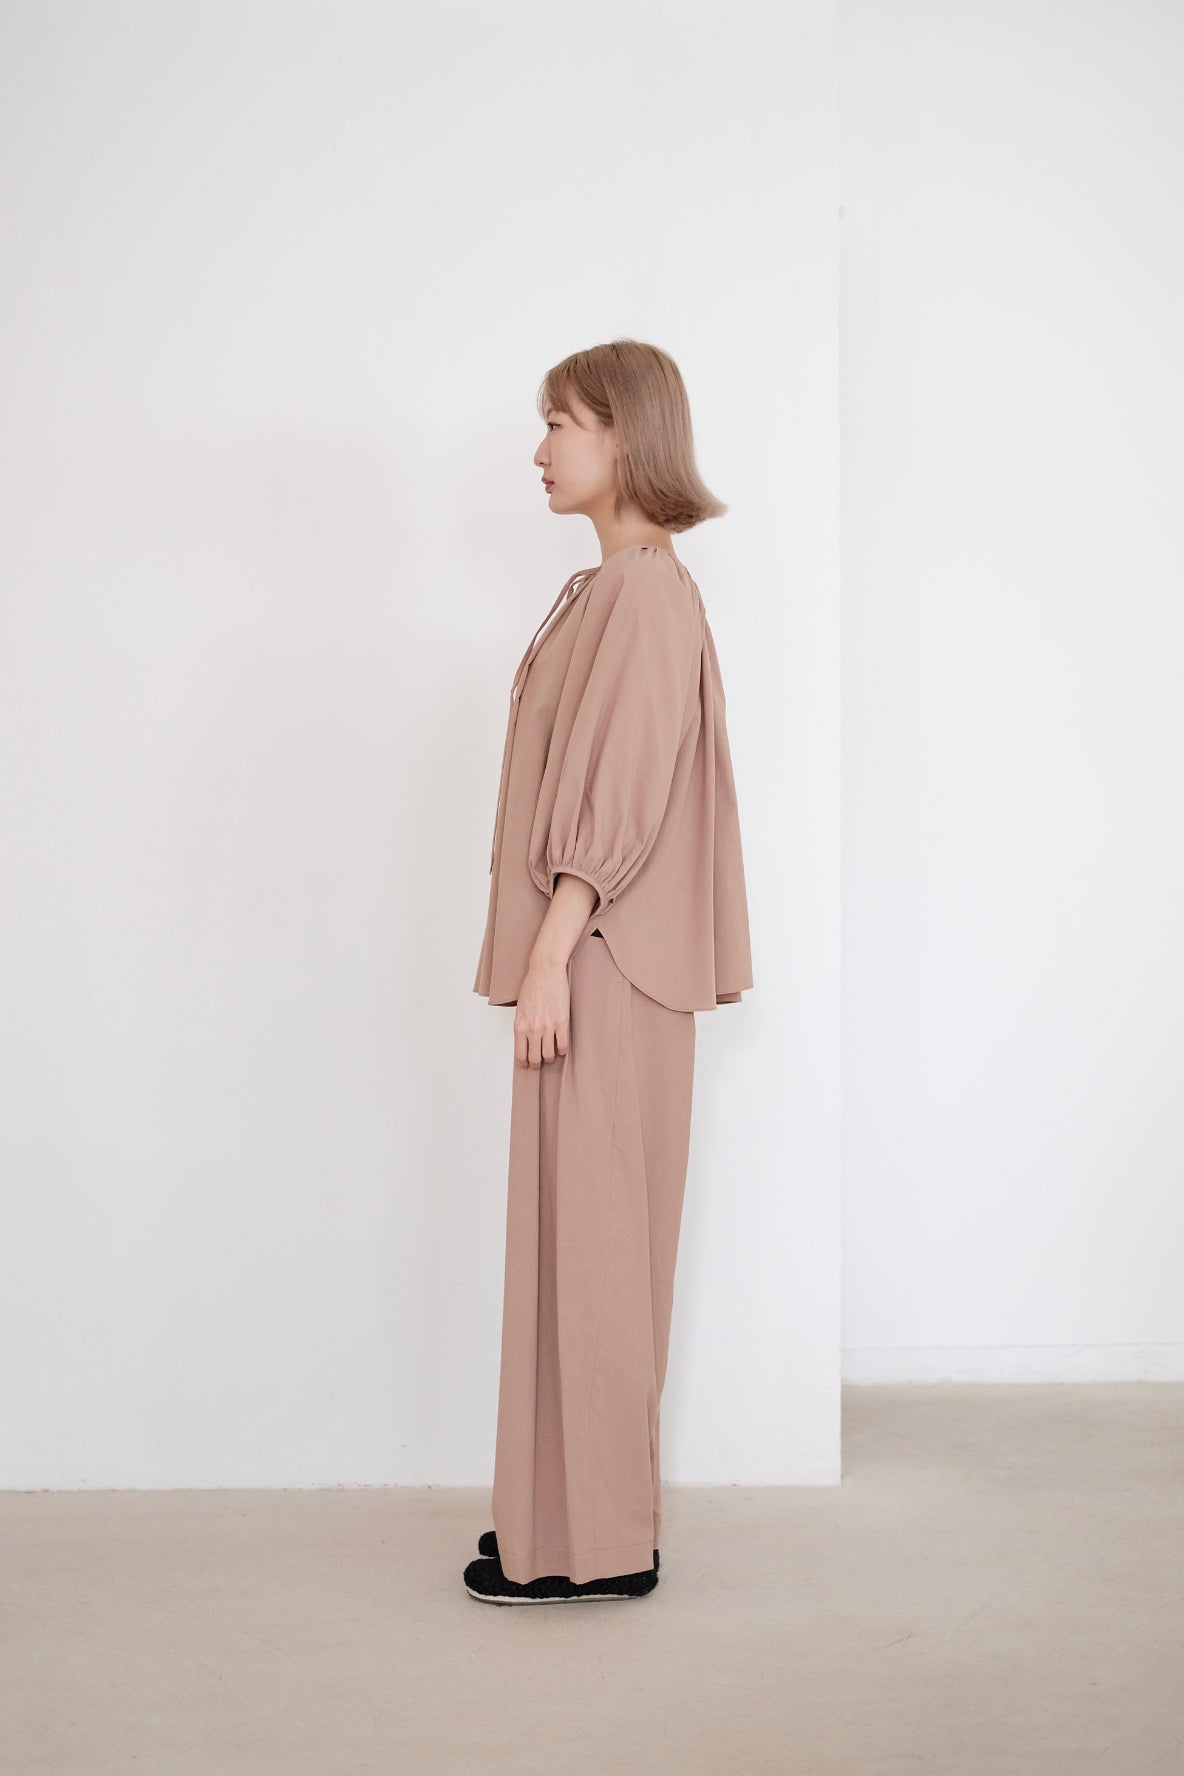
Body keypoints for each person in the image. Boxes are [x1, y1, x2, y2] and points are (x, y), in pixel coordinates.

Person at [465, 339, 753, 1605]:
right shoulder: (605, 592)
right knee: (568, 1251)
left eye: (560, 422)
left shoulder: (642, 594)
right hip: (587, 958)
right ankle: (555, 1523)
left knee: (595, 1259)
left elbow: (620, 795)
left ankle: (599, 1547)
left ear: (623, 436)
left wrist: (548, 952)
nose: (539, 449)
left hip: (600, 963)